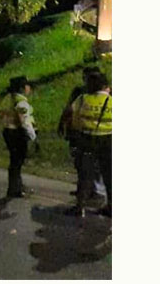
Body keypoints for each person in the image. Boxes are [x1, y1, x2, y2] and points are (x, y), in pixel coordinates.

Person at [58, 67, 108, 202]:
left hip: (92, 136)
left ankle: (91, 193)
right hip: (82, 134)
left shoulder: (98, 96)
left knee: (92, 167)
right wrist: (63, 125)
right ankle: (88, 192)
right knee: (83, 166)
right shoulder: (80, 93)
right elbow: (68, 109)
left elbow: (69, 110)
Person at [67, 72, 112, 217]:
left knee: (85, 175)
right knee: (109, 176)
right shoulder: (112, 101)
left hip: (87, 141)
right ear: (106, 86)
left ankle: (80, 207)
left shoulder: (82, 99)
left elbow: (74, 119)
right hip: (109, 141)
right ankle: (111, 207)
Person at [0, 76, 37, 198]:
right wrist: (32, 136)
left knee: (14, 161)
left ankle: (17, 185)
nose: (29, 88)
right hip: (17, 133)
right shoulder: (21, 101)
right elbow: (22, 120)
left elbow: (1, 114)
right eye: (27, 86)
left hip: (7, 131)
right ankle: (14, 189)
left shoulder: (8, 98)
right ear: (23, 88)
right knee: (17, 162)